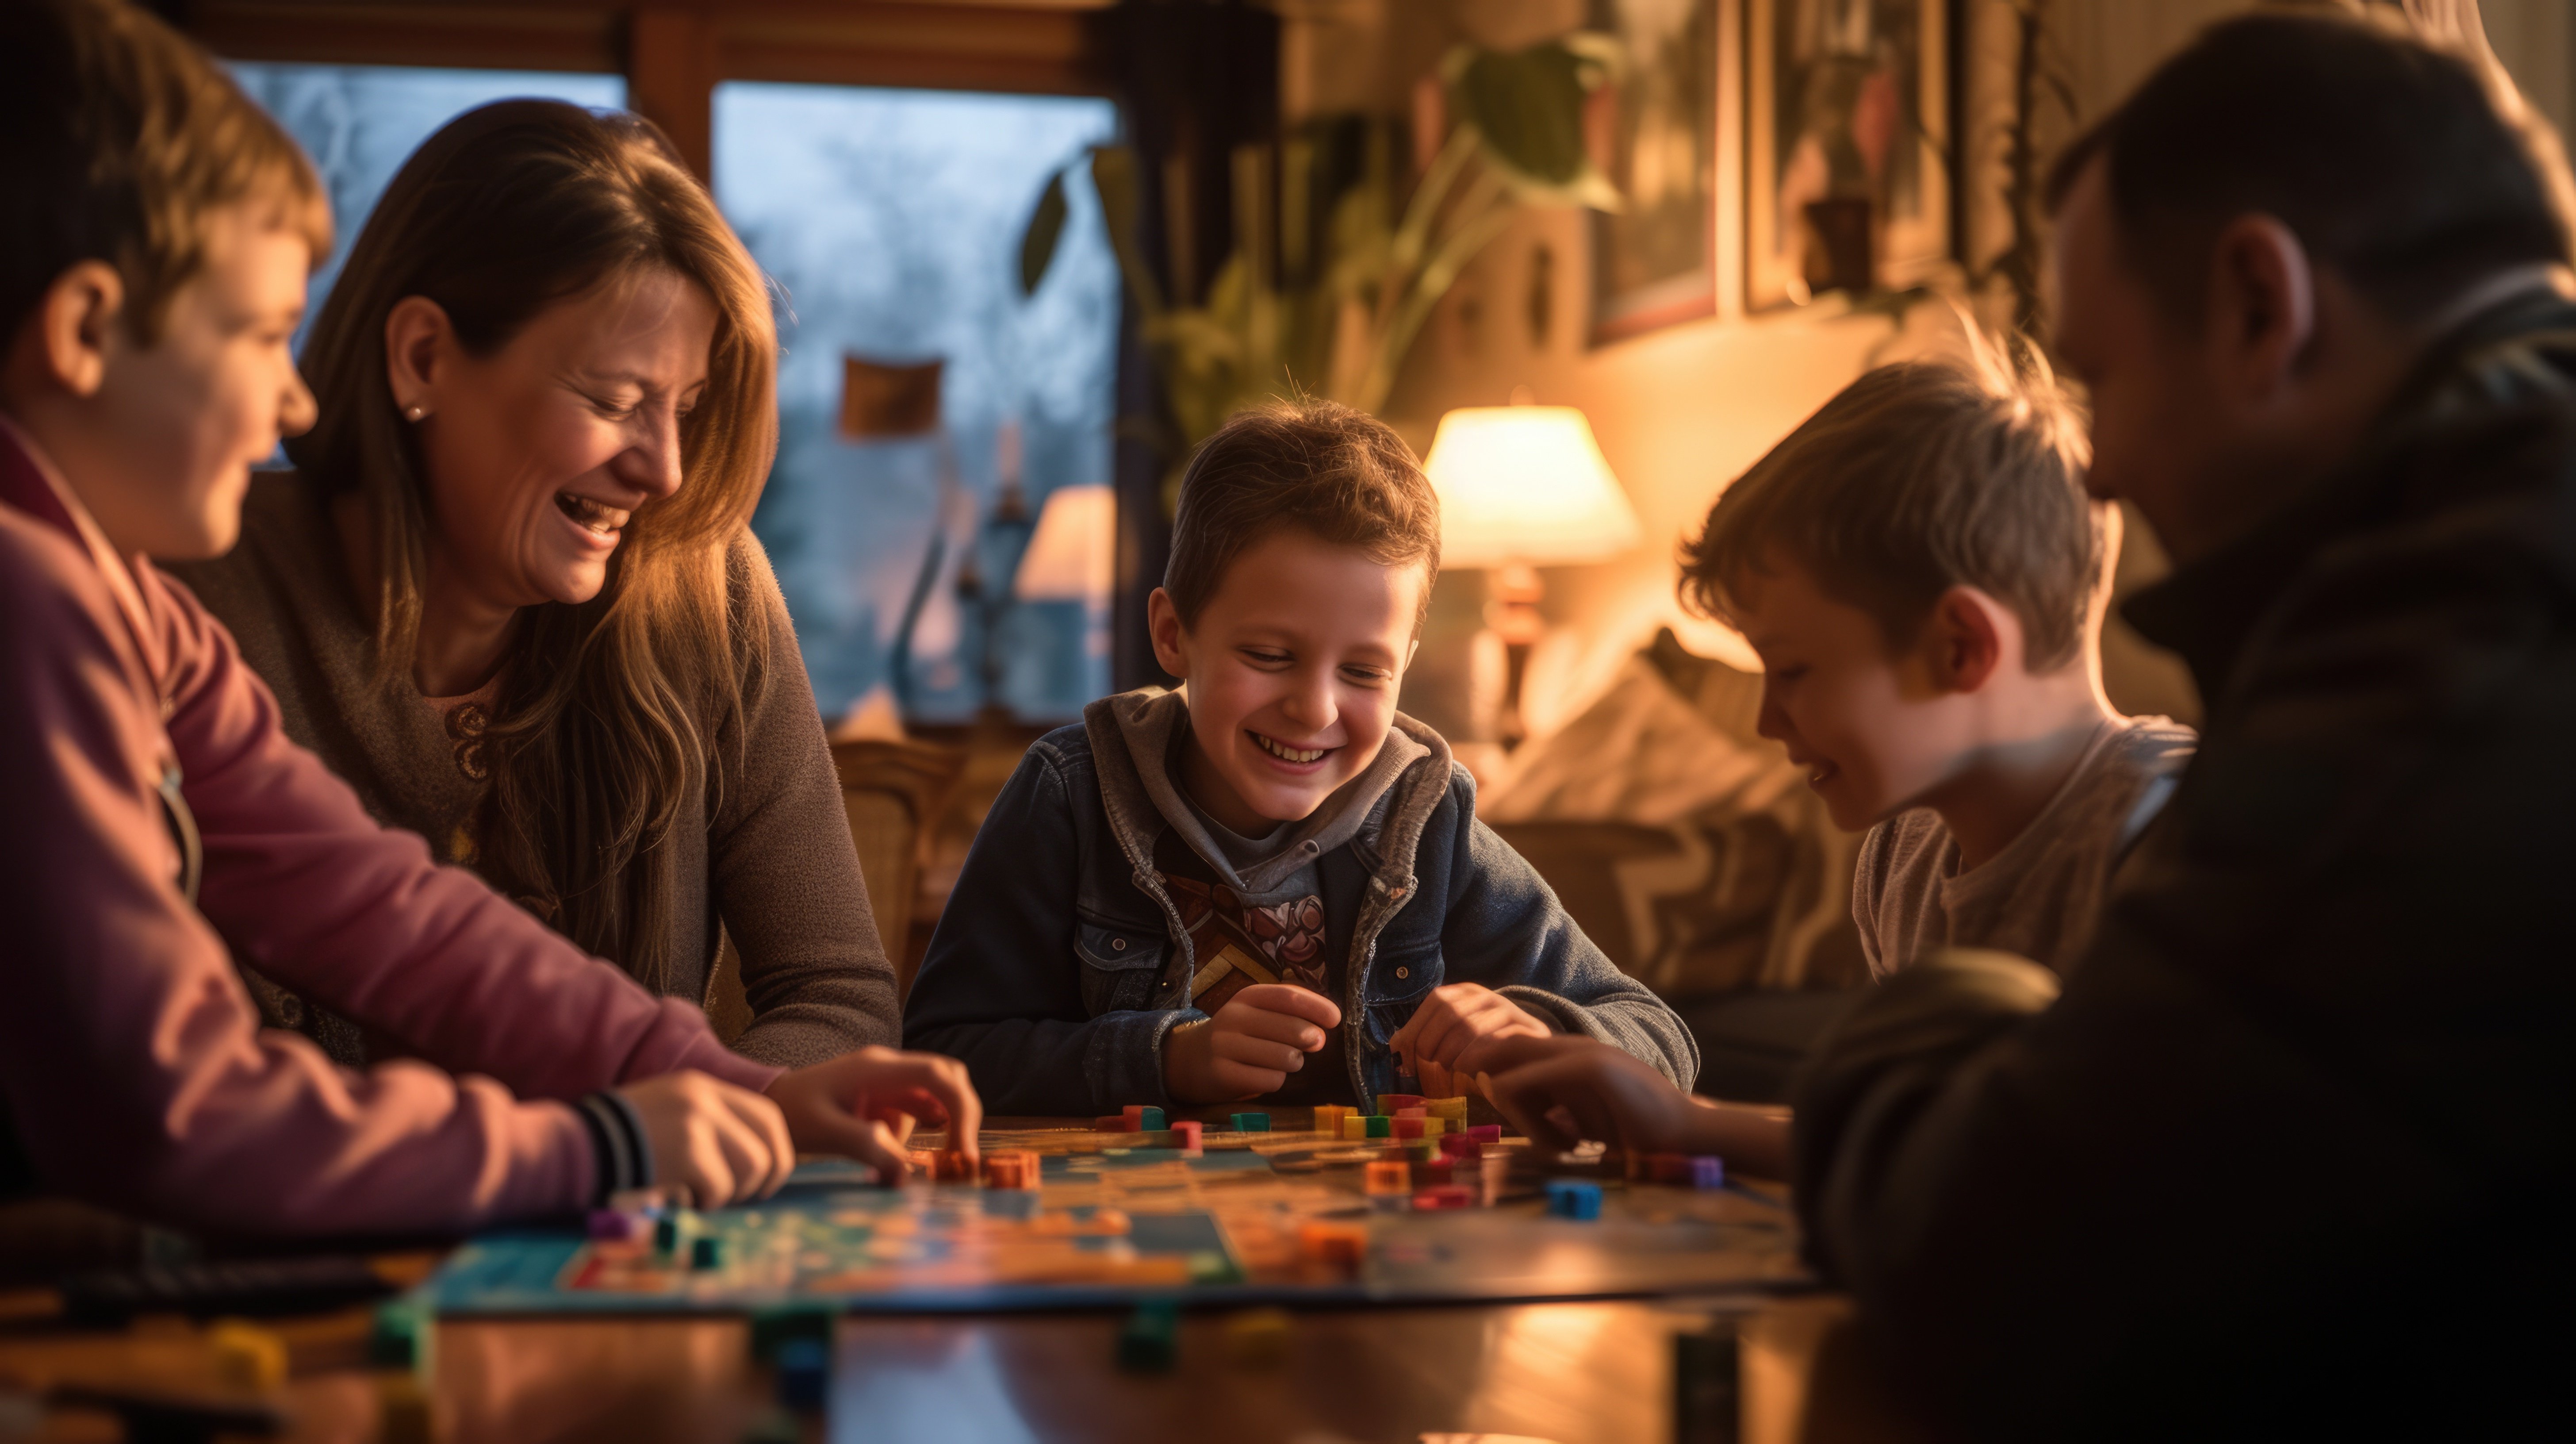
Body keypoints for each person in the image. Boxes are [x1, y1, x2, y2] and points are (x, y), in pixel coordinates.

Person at [1506, 12, 2576, 1436]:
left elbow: (2009, 1265)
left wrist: (1927, 1043)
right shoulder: (2466, 580)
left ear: (2262, 305)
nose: (2110, 465)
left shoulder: (2446, 658)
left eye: (2109, 377)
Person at [0, 0, 976, 1241]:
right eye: (254, 336)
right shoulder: (38, 601)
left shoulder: (120, 603)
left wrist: (734, 1092)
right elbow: (169, 1108)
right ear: (85, 331)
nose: (293, 392)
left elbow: (378, 910)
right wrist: (605, 1142)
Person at [168, 98, 897, 1069]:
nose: (667, 472)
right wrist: (624, 1135)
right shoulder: (182, 594)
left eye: (686, 407)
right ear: (422, 357)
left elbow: (837, 994)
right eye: (613, 401)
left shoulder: (707, 592)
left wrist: (731, 1109)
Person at [1480, 353, 2194, 1179]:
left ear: (1961, 647)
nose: (1765, 720)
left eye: (1792, 672)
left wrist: (1691, 1123)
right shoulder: (1901, 857)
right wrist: (1680, 1122)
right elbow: (1917, 1143)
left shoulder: (2169, 842)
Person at [901, 400, 1696, 1114]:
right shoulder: (1072, 796)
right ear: (1174, 634)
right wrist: (1169, 1057)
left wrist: (1545, 1030)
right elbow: (943, 1054)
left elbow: (1662, 1041)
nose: (1315, 709)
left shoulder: (1425, 818)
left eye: (1362, 672)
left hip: (1374, 1244)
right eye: (1270, 655)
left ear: (1404, 668)